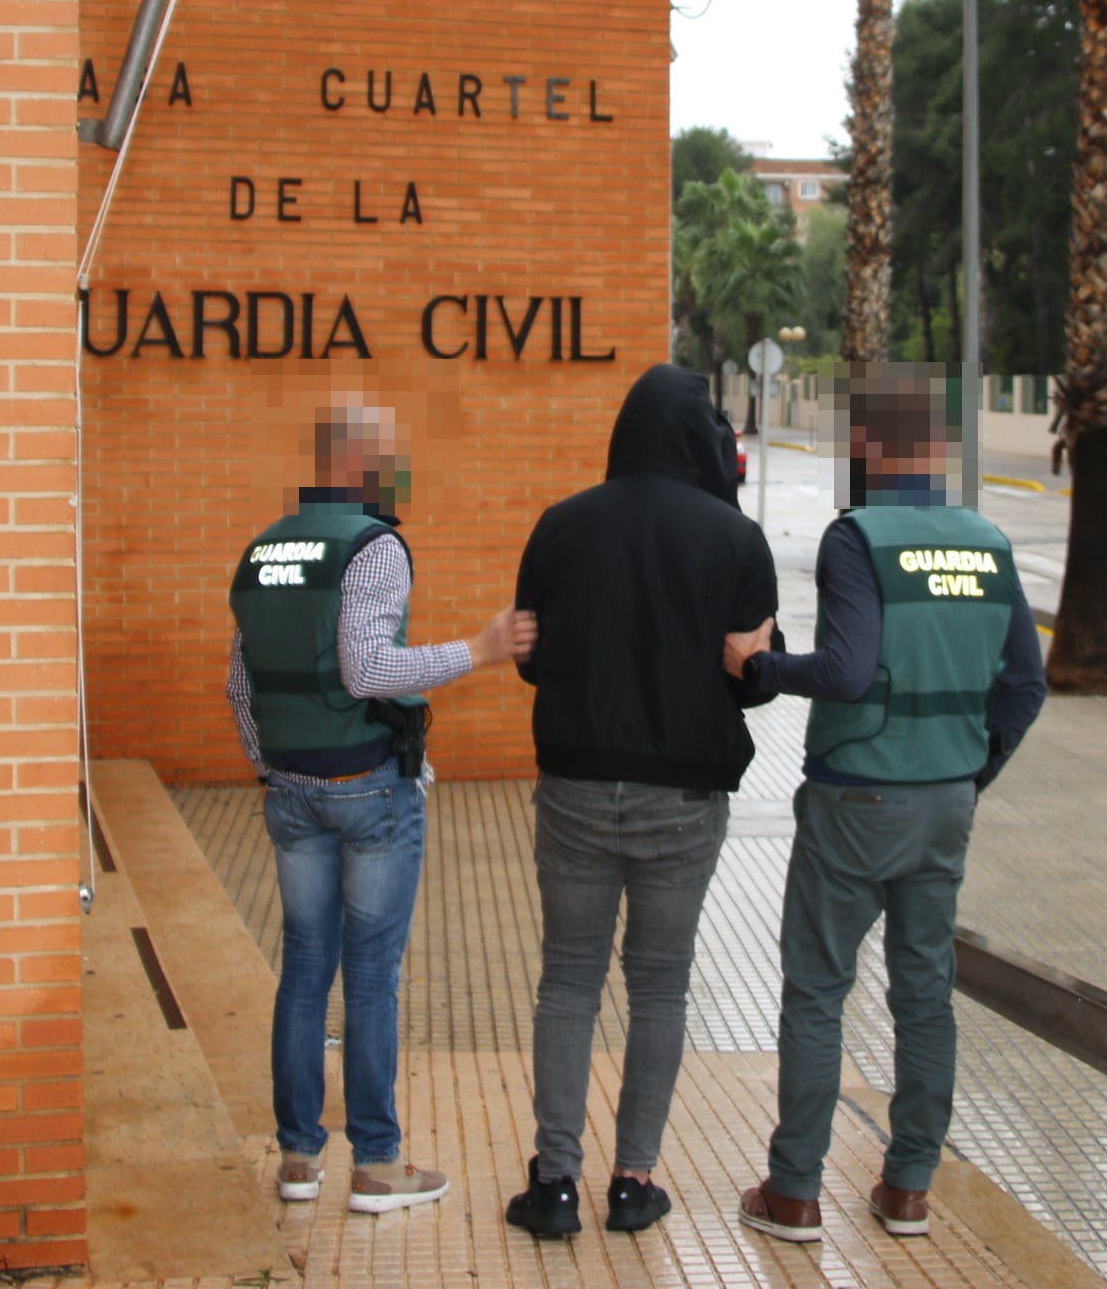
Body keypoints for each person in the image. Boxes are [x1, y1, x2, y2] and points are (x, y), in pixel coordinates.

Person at [725, 368, 1046, 1243]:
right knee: (924, 993)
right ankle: (907, 1188)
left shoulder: (856, 537)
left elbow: (847, 670)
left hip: (856, 798)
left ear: (868, 450)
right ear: (938, 451)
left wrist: (761, 670)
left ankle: (793, 1192)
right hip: (945, 803)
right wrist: (970, 771)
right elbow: (1027, 684)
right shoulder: (987, 541)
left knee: (819, 991)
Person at [226, 401, 535, 1215]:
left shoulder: (265, 548)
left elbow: (239, 683)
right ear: (363, 468)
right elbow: (367, 669)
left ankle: (297, 1161)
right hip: (366, 786)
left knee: (301, 973)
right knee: (369, 976)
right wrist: (481, 648)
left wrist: (273, 770)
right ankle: (377, 1164)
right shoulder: (375, 545)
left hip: (290, 785)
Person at [500, 364, 781, 1238]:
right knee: (659, 986)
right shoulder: (736, 540)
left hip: (577, 788)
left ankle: (553, 1185)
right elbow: (757, 680)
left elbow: (531, 658)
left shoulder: (561, 525)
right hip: (684, 799)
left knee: (569, 982)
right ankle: (632, 1182)